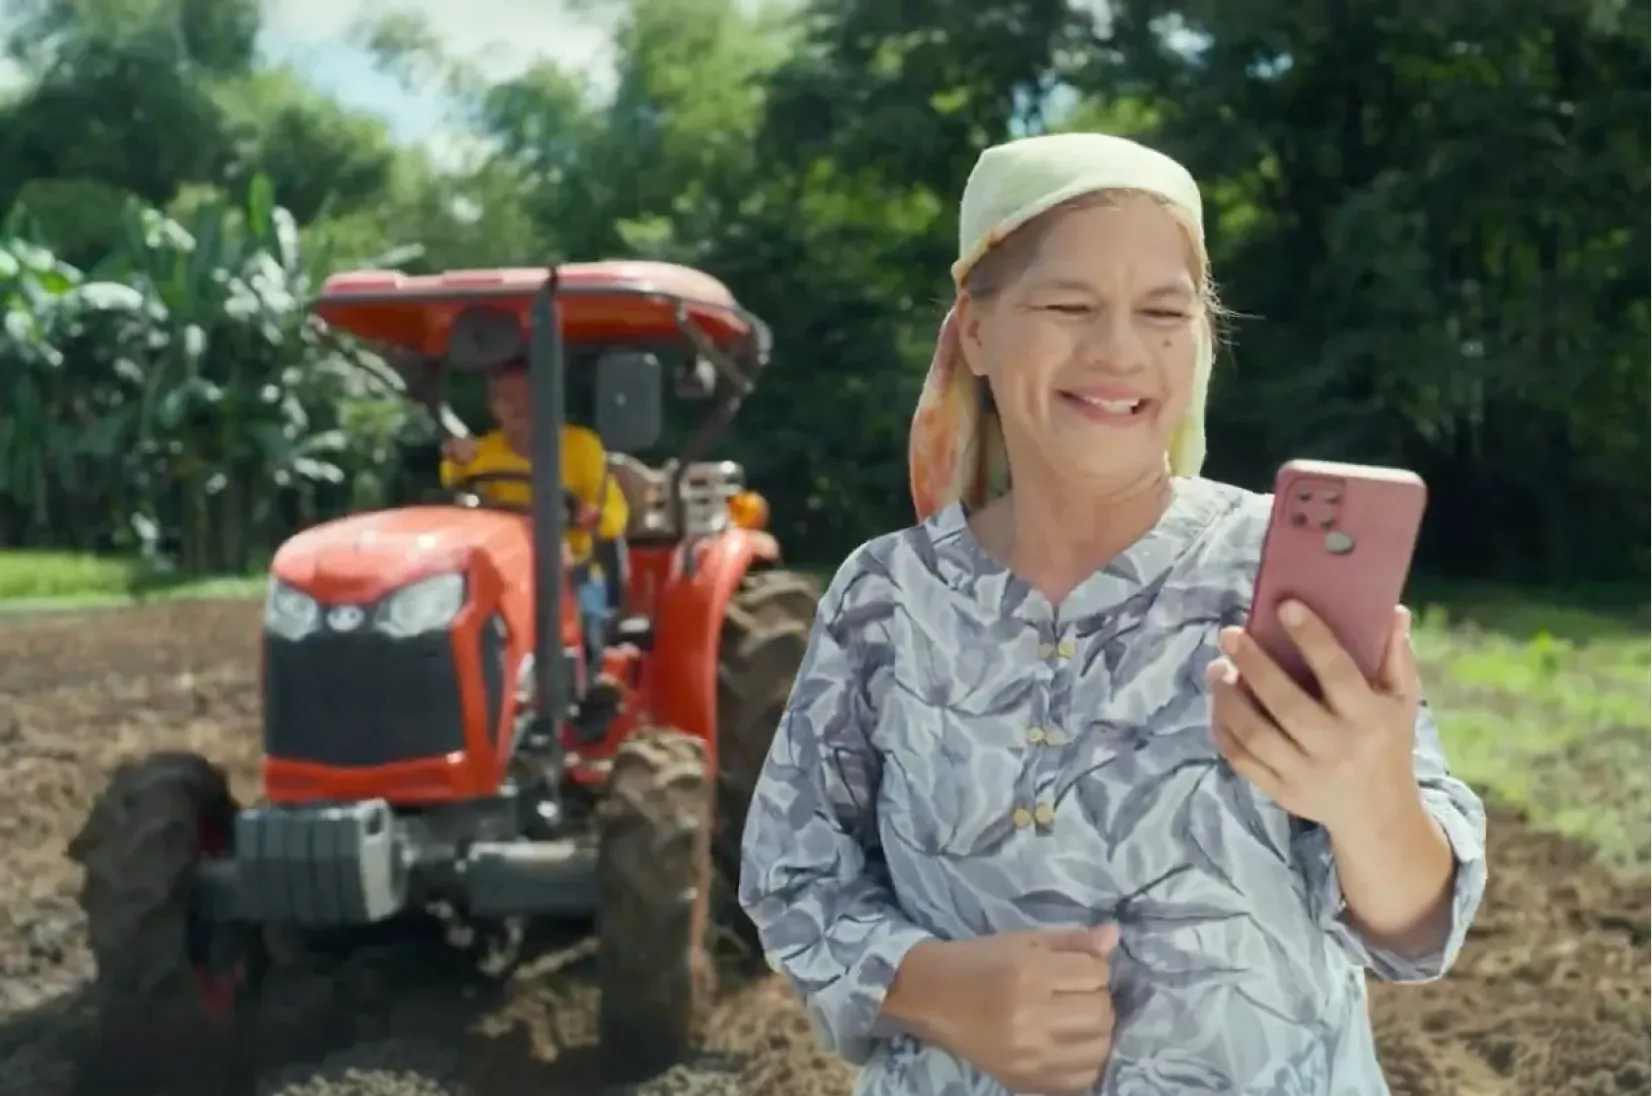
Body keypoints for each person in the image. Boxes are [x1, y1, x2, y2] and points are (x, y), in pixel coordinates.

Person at [738, 133, 1487, 1096]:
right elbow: (790, 881)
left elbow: (1419, 931)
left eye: (1164, 311)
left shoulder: (1274, 580)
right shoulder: (884, 599)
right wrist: (936, 989)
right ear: (974, 330)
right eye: (1069, 306)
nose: (1120, 351)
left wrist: (1370, 799)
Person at [440, 360, 629, 677]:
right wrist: (457, 459)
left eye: (528, 395)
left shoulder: (581, 446)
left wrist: (589, 516)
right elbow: (453, 491)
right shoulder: (480, 453)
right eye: (508, 397)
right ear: (494, 406)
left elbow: (613, 512)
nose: (519, 406)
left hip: (571, 567)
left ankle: (592, 681)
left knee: (587, 618)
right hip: (500, 570)